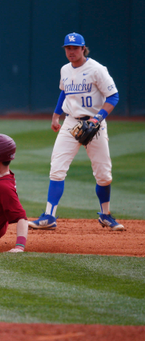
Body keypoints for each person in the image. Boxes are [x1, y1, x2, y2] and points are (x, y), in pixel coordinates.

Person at [29, 32, 124, 231]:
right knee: (57, 168)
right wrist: (56, 116)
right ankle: (49, 216)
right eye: (68, 48)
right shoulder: (65, 69)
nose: (71, 52)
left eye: (75, 48)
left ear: (83, 48)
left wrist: (97, 118)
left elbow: (113, 96)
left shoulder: (97, 69)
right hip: (71, 123)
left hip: (95, 124)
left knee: (104, 174)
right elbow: (64, 92)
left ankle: (105, 215)